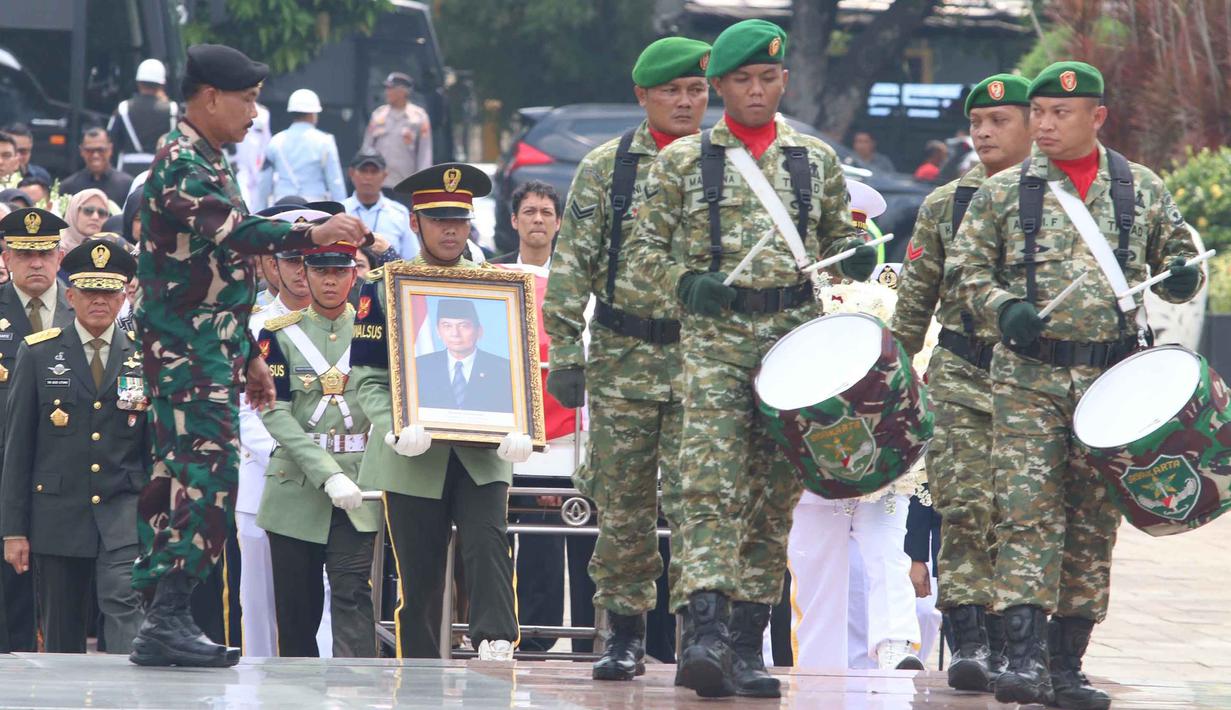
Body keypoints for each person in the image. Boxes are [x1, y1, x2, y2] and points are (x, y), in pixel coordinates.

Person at [622, 20, 876, 698]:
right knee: (707, 487)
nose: (756, 90)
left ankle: (744, 641)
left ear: (784, 81)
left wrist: (858, 255)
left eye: (767, 78)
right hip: (713, 341)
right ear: (720, 88)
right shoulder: (682, 162)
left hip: (791, 341)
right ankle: (702, 632)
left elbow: (836, 245)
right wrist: (683, 282)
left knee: (769, 495)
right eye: (741, 80)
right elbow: (640, 254)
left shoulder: (813, 161)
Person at [950, 61, 1205, 708]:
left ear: (1096, 117)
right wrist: (1002, 306)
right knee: (1025, 513)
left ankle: (1067, 665)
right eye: (1036, 113)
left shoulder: (1137, 188)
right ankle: (1021, 658)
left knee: (1091, 524)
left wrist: (1178, 276)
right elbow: (967, 273)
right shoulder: (1004, 192)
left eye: (1060, 114)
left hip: (1109, 382)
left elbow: (1179, 258)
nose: (1044, 124)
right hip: (1028, 378)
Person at [128, 43, 365, 669]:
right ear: (210, 97)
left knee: (189, 475)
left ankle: (163, 615)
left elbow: (219, 269)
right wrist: (310, 234)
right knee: (204, 477)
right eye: (248, 100)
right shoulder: (182, 164)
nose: (255, 114)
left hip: (207, 348)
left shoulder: (207, 158)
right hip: (184, 353)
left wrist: (247, 356)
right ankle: (167, 614)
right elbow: (236, 232)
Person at [542, 35, 711, 682]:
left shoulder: (723, 168)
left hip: (704, 358)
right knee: (624, 504)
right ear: (643, 96)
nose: (685, 102)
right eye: (671, 90)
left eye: (696, 90)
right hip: (623, 358)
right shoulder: (608, 168)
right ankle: (624, 633)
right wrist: (565, 350)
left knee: (702, 503)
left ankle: (702, 631)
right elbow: (572, 266)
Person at [351, 162, 530, 661]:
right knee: (420, 578)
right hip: (412, 453)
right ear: (414, 223)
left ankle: (497, 644)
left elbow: (514, 371)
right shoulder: (383, 286)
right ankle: (419, 675)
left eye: (460, 220)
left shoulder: (496, 286)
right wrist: (393, 426)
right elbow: (366, 377)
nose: (451, 230)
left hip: (482, 450)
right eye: (438, 220)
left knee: (489, 547)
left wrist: (520, 424)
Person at [891, 72, 1033, 694]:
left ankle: (1019, 644)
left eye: (999, 122)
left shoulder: (1060, 202)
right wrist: (896, 375)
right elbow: (914, 302)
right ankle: (971, 639)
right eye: (976, 123)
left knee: (1027, 515)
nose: (983, 133)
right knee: (965, 509)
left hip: (1038, 381)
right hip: (962, 375)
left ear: (1035, 124)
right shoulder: (946, 203)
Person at [0, 237, 146, 654]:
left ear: (123, 298)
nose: (98, 302)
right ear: (71, 295)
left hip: (122, 513)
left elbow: (151, 448)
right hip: (58, 515)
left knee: (124, 611)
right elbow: (18, 450)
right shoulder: (39, 353)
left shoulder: (141, 356)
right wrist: (13, 530)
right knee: (63, 633)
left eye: (108, 293)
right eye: (89, 292)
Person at [257, 233, 380, 658]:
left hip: (360, 482)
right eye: (320, 271)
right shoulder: (279, 335)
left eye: (339, 271)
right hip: (296, 484)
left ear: (353, 275)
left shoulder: (374, 333)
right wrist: (327, 473)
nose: (330, 281)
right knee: (297, 613)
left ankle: (358, 693)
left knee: (352, 594)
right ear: (304, 274)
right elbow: (274, 412)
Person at [0, 207, 75, 654]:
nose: (35, 264)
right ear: (6, 255)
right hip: (4, 465)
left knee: (65, 589)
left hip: (68, 468)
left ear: (60, 256)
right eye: (24, 254)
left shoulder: (83, 305)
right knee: (9, 591)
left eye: (44, 254)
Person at [415, 299, 514, 413]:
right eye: (447, 326)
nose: (455, 334)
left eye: (463, 326)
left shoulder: (504, 370)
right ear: (438, 331)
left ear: (479, 331)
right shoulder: (419, 367)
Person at [256, 89, 346, 208]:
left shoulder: (276, 141)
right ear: (313, 114)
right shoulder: (325, 141)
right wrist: (342, 209)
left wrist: (259, 211)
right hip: (315, 205)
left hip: (282, 204)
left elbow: (264, 181)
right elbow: (335, 182)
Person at [361, 72, 432, 205]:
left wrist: (422, 185)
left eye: (390, 88)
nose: (387, 92)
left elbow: (424, 154)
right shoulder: (378, 115)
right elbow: (367, 149)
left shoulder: (419, 117)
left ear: (402, 91)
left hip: (405, 185)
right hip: (379, 185)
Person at [108, 59, 178, 175]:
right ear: (162, 84)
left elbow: (111, 141)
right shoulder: (172, 109)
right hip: (161, 171)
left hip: (128, 170)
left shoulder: (123, 108)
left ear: (138, 82)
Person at [343, 152, 416, 260]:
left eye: (374, 171)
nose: (368, 177)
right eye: (363, 171)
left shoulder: (399, 213)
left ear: (384, 175)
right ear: (351, 173)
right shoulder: (340, 211)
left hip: (388, 274)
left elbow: (412, 257)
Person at [60, 128, 134, 205]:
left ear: (110, 149)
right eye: (90, 150)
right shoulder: (68, 187)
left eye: (100, 150)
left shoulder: (127, 185)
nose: (95, 155)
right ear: (82, 151)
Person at [493, 181, 559, 267]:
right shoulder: (491, 272)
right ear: (514, 220)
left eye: (546, 212)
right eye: (529, 212)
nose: (538, 219)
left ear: (557, 222)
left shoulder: (574, 277)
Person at [227, 102, 271, 208]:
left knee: (258, 197)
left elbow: (266, 139)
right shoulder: (232, 109)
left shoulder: (263, 113)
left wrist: (261, 160)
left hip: (257, 161)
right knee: (242, 191)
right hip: (238, 160)